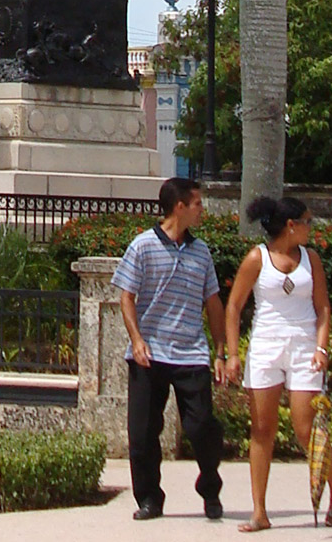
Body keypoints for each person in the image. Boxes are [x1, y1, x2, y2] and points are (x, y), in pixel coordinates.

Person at [222, 196, 332, 531]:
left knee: (306, 428)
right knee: (262, 430)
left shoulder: (312, 259)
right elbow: (234, 307)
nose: (312, 227)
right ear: (290, 226)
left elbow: (323, 308)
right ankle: (259, 511)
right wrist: (233, 354)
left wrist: (322, 349)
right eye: (308, 221)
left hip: (304, 347)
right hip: (266, 346)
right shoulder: (257, 258)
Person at [112, 176, 228, 522]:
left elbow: (214, 302)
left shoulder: (202, 251)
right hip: (150, 354)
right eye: (197, 204)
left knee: (202, 426)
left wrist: (220, 351)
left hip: (191, 353)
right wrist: (136, 339)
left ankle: (210, 486)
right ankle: (149, 498)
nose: (201, 210)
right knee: (143, 433)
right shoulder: (142, 246)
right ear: (180, 207)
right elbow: (126, 297)